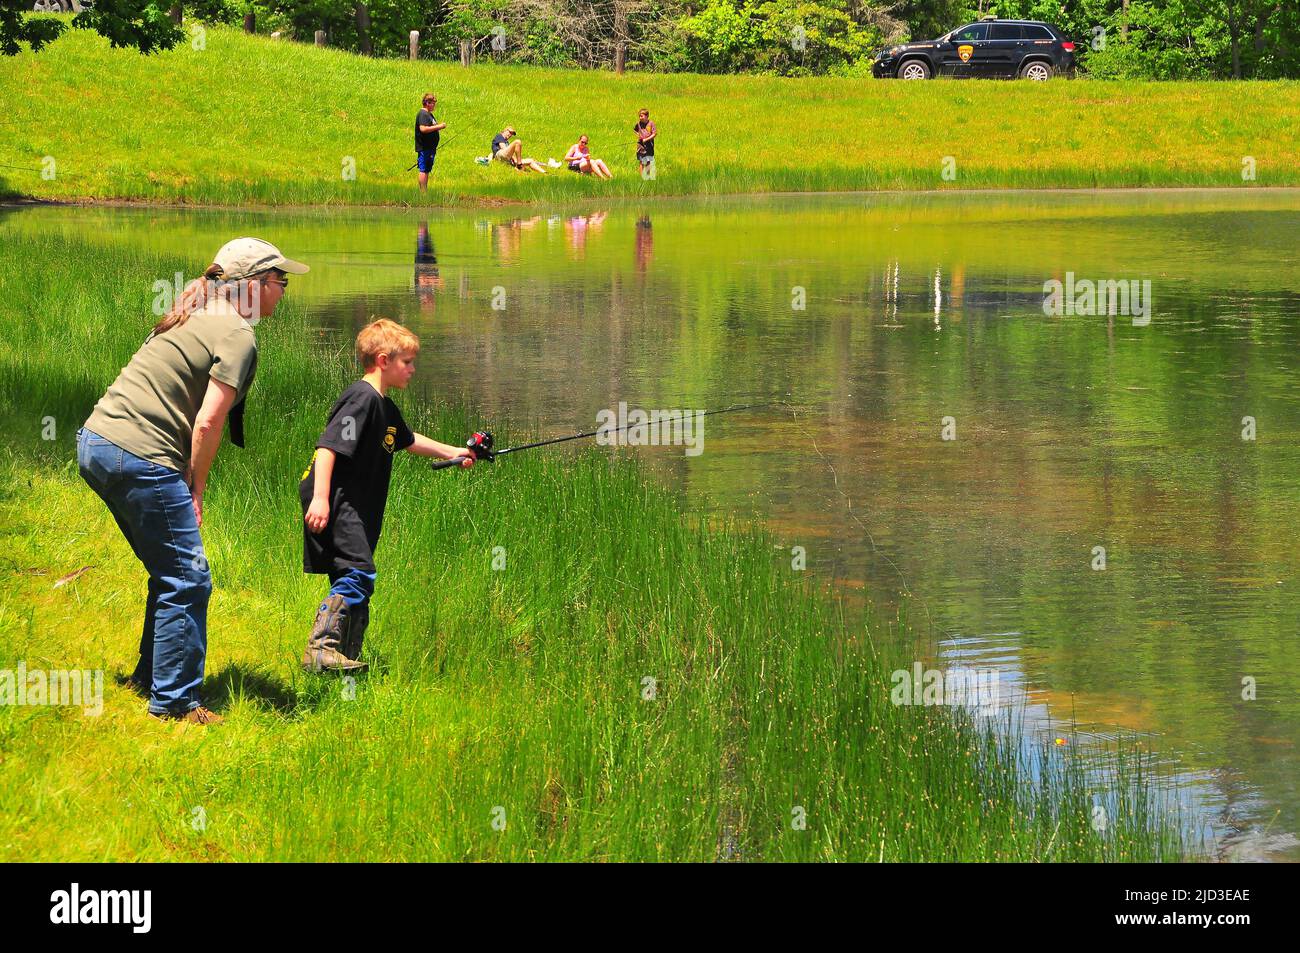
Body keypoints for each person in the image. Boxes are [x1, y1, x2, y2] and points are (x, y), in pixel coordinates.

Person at [78, 238, 308, 725]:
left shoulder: (191, 311)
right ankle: (177, 704)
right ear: (254, 285)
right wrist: (194, 488)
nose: (284, 291)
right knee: (188, 577)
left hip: (98, 442)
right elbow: (207, 422)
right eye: (280, 281)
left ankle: (151, 677)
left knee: (169, 571)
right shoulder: (237, 334)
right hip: (141, 455)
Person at [299, 319, 474, 672]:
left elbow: (408, 440)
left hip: (358, 506)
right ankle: (320, 649)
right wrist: (320, 499)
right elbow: (328, 447)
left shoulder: (385, 407)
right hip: (337, 499)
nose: (412, 369)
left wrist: (455, 452)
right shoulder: (361, 399)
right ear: (383, 360)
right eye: (406, 362)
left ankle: (344, 658)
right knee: (359, 573)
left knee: (352, 578)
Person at [415, 93, 446, 191]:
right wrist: (439, 126)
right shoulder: (423, 114)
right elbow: (423, 129)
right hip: (424, 147)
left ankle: (425, 191)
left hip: (430, 148)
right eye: (433, 103)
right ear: (427, 103)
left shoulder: (429, 114)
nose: (434, 105)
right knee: (423, 169)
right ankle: (423, 192)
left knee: (427, 169)